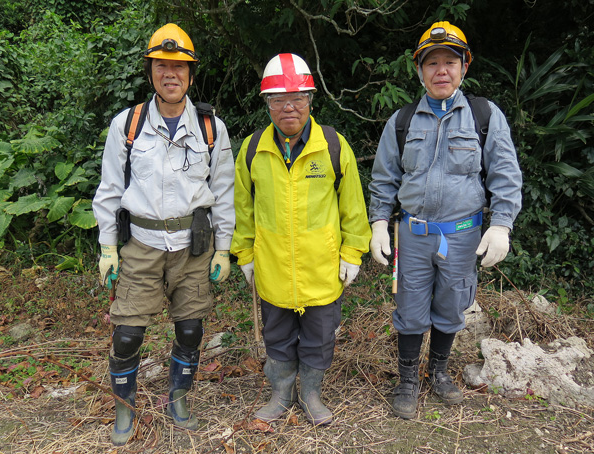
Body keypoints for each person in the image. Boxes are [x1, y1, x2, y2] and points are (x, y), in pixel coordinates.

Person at [368, 21, 522, 419]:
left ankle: (438, 372)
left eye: (450, 62)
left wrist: (501, 224)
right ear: (419, 70)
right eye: (431, 62)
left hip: (463, 234)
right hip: (414, 233)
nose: (441, 70)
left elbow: (505, 175)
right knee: (410, 309)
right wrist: (379, 223)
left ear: (464, 67)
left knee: (452, 306)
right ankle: (407, 380)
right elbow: (384, 178)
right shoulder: (401, 122)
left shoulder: (484, 116)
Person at [92, 23, 235, 445]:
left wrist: (223, 251)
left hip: (193, 247)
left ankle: (178, 396)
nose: (170, 74)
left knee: (190, 329)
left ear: (190, 74)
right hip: (141, 245)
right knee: (127, 333)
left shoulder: (211, 129)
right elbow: (109, 190)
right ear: (150, 71)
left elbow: (223, 195)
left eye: (179, 67)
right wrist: (107, 247)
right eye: (161, 66)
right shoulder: (128, 125)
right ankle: (126, 407)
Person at [230, 53, 371, 426]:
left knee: (319, 338)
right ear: (267, 104)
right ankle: (281, 394)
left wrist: (352, 252)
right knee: (276, 336)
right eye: (278, 99)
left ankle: (310, 394)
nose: (288, 107)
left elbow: (353, 207)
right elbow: (242, 210)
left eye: (297, 98)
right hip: (273, 269)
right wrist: (244, 255)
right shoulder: (252, 149)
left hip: (321, 271)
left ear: (310, 100)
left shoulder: (333, 146)